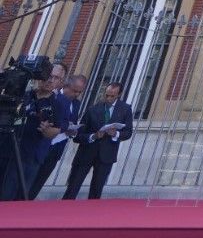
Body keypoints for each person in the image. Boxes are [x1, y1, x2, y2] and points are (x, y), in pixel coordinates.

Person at [61, 81, 134, 200]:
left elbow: (128, 132)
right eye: (107, 95)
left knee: (96, 190)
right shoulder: (93, 109)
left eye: (112, 96)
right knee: (73, 187)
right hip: (86, 153)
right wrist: (93, 136)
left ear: (119, 95)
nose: (109, 98)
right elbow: (79, 135)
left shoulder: (125, 109)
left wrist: (115, 133)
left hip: (106, 155)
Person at [0, 66, 60, 201]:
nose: (50, 80)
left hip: (28, 157)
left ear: (59, 82)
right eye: (48, 76)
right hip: (6, 149)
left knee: (13, 197)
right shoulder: (24, 96)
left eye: (55, 78)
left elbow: (56, 130)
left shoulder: (57, 104)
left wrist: (47, 131)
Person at [29, 71, 86, 198]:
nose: (76, 94)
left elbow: (70, 121)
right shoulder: (53, 98)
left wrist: (72, 130)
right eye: (75, 90)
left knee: (40, 180)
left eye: (80, 92)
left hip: (58, 147)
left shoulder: (76, 104)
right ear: (66, 86)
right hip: (43, 144)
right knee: (29, 177)